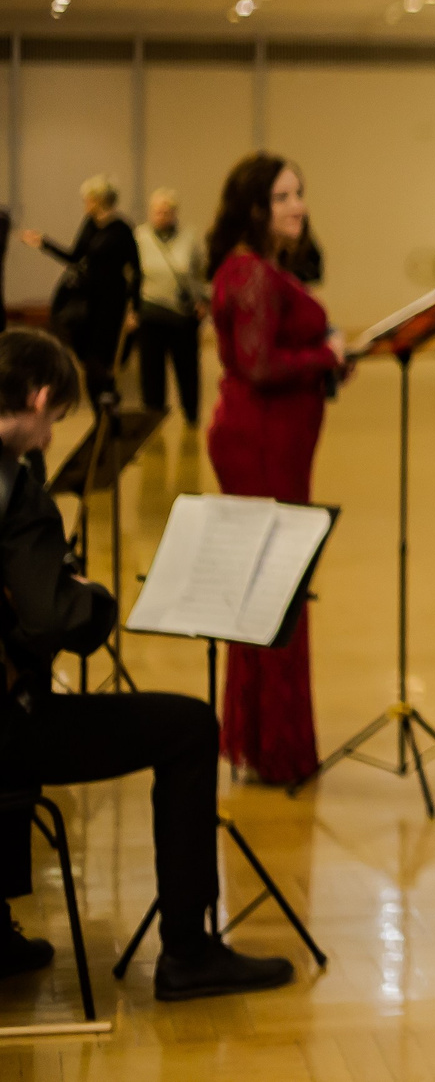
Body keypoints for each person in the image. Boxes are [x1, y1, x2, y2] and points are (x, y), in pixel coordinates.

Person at [0, 328, 295, 999]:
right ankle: (189, 953)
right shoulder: (16, 490)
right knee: (187, 726)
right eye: (55, 420)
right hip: (5, 731)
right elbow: (55, 620)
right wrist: (95, 602)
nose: (50, 437)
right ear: (41, 398)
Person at [204, 154, 347, 786]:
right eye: (284, 196)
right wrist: (325, 353)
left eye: (301, 192)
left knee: (274, 587)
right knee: (276, 588)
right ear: (256, 207)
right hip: (260, 443)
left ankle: (263, 741)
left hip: (274, 439)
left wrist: (327, 362)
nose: (298, 205)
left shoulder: (258, 270)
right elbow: (258, 366)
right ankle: (274, 747)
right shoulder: (252, 273)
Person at [20, 176, 140, 410]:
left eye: (88, 199)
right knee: (88, 360)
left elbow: (136, 270)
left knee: (102, 361)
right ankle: (102, 413)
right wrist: (44, 243)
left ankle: (108, 411)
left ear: (99, 200)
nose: (85, 203)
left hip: (111, 302)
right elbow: (75, 257)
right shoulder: (90, 224)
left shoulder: (121, 229)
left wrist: (134, 308)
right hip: (87, 303)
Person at [134, 188, 209, 427]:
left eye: (167, 211)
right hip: (151, 312)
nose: (162, 216)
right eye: (158, 211)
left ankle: (191, 415)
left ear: (175, 213)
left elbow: (200, 272)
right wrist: (130, 310)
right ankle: (153, 417)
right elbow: (131, 276)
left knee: (187, 370)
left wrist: (203, 300)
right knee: (151, 372)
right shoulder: (140, 237)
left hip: (182, 314)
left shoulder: (189, 237)